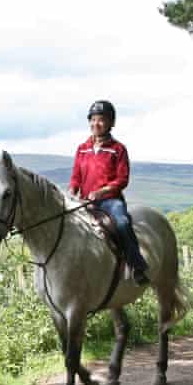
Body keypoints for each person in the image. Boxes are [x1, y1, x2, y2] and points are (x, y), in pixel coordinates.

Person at [69, 100, 149, 285]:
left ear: (111, 123)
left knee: (121, 223)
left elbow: (122, 180)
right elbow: (75, 177)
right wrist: (72, 191)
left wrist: (101, 192)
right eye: (93, 119)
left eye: (101, 120)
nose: (96, 124)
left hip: (110, 202)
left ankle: (137, 266)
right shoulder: (82, 149)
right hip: (84, 202)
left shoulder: (118, 149)